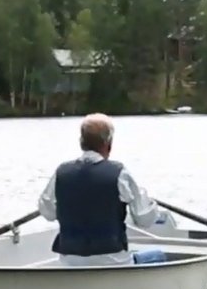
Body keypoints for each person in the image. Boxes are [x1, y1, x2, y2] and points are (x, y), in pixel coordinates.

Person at [36, 113, 172, 265]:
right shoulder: (120, 173)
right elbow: (144, 219)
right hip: (113, 263)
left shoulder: (61, 173)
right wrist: (151, 204)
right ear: (109, 143)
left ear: (81, 142)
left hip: (70, 263)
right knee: (158, 255)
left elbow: (48, 212)